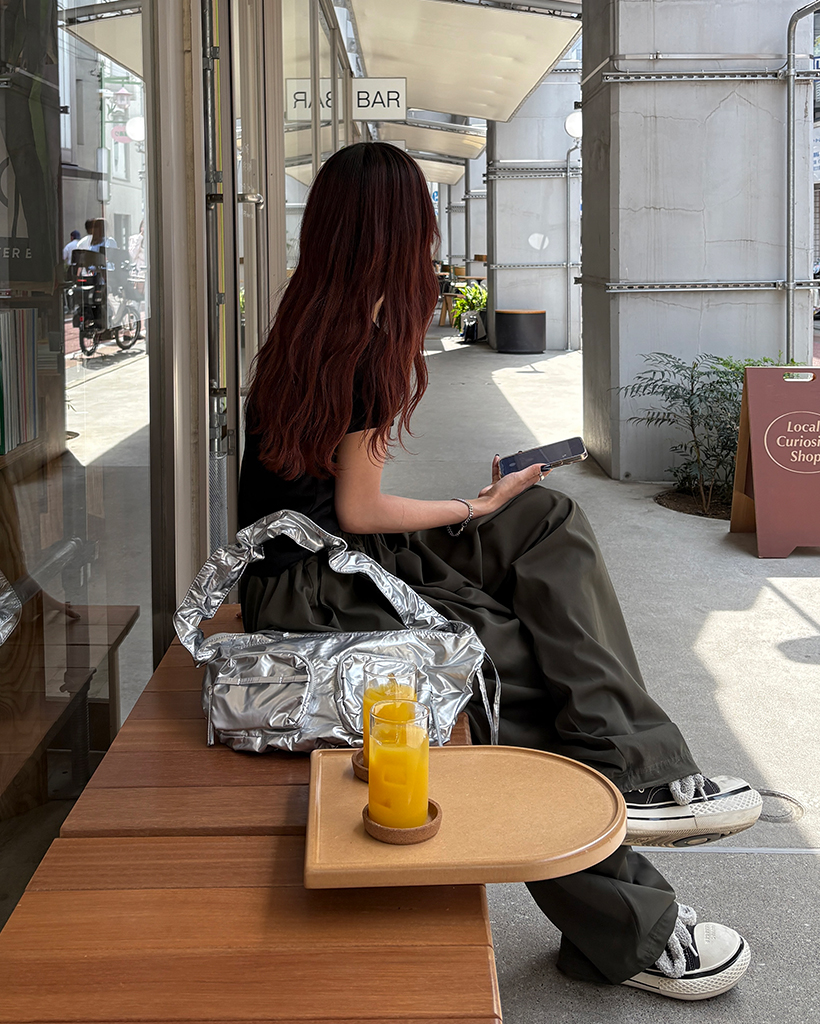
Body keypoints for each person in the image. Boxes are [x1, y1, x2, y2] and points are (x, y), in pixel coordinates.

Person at [237, 143, 762, 1001]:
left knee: (542, 515)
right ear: (399, 235)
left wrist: (488, 505)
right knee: (500, 669)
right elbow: (361, 512)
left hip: (339, 558)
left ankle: (635, 762)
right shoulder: (358, 346)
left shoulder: (321, 323)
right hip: (315, 591)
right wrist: (470, 506)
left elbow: (345, 502)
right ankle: (631, 930)